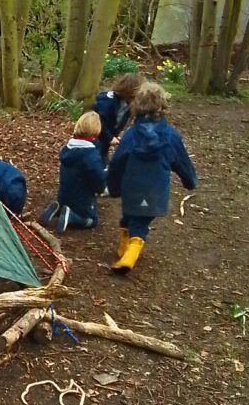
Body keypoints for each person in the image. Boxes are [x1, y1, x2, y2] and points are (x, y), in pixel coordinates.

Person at [107, 81, 197, 273]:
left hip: (131, 188)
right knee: (139, 221)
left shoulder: (131, 135)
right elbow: (181, 162)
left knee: (132, 217)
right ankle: (128, 255)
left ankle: (126, 252)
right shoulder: (171, 136)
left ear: (137, 105)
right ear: (162, 106)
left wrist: (113, 187)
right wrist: (190, 180)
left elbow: (117, 162)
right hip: (155, 191)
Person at [39, 112, 106, 232]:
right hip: (82, 200)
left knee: (67, 200)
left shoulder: (67, 150)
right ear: (96, 131)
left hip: (63, 196)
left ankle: (58, 209)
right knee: (92, 220)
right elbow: (99, 182)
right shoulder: (90, 156)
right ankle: (71, 217)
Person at [92, 74, 142, 166]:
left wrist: (114, 136)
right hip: (94, 140)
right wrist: (110, 138)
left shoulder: (128, 105)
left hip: (104, 143)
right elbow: (100, 123)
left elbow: (117, 124)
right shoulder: (106, 102)